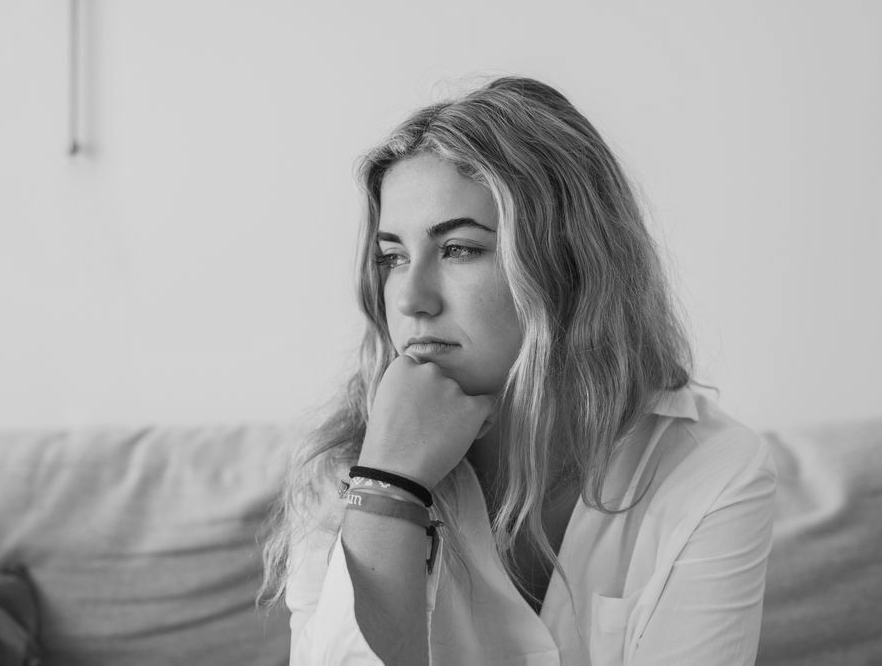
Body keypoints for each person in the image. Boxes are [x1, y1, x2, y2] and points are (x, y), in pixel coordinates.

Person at [258, 76, 777, 665]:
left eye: (460, 249)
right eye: (393, 257)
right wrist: (389, 488)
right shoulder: (342, 469)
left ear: (568, 263)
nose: (410, 300)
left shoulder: (712, 471)